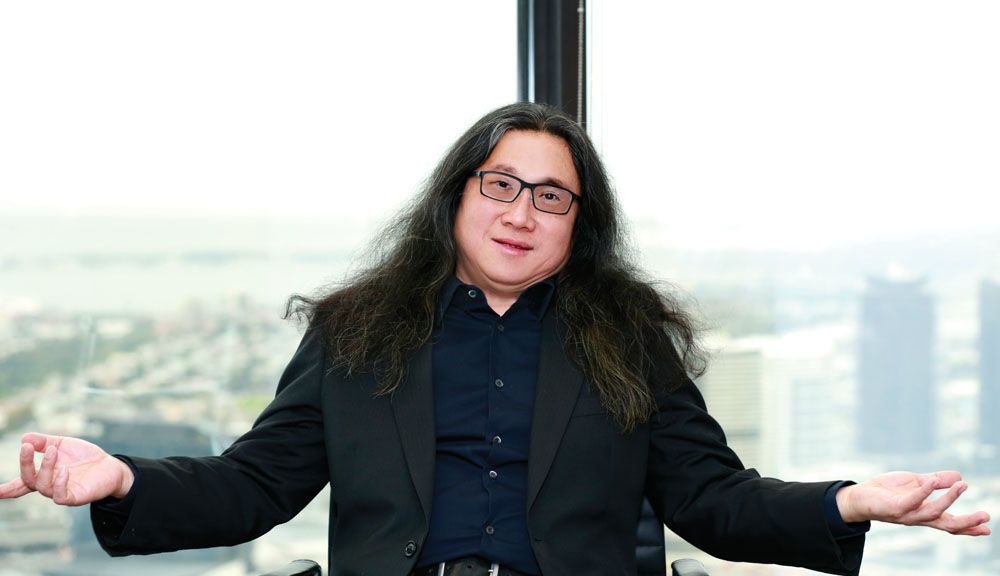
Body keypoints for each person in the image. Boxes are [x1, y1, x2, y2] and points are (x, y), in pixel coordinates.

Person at [0, 102, 990, 576]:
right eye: (501, 184)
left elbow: (711, 502)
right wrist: (121, 479)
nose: (521, 212)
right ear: (457, 196)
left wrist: (850, 501)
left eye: (551, 196)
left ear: (578, 225)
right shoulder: (357, 333)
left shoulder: (629, 341)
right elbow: (254, 486)